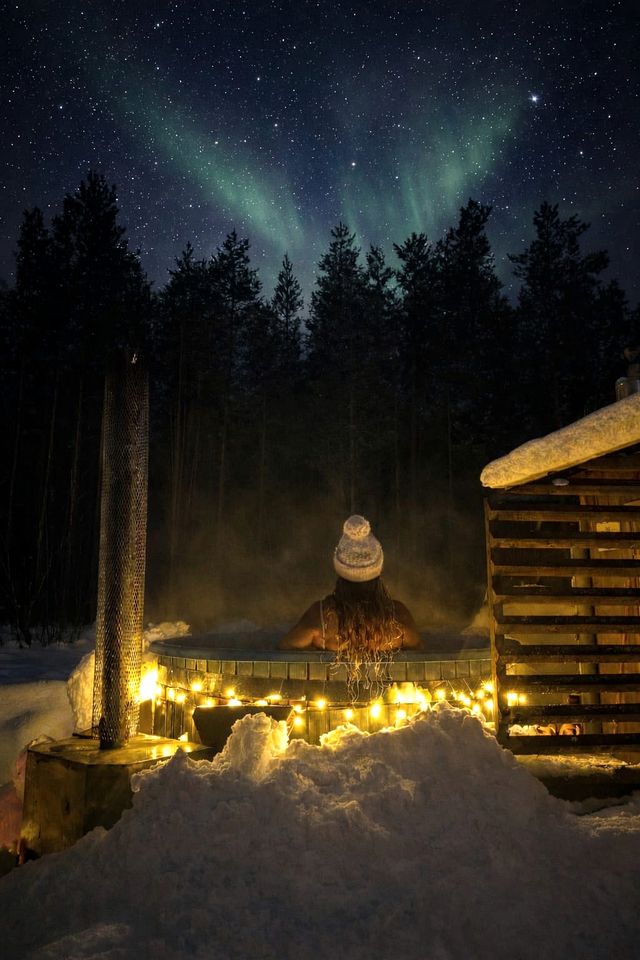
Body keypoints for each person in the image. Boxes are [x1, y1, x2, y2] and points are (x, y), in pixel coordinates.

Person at [280, 515, 421, 654]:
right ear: (378, 570)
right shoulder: (397, 617)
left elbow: (284, 649)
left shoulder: (321, 618)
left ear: (340, 572)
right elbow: (420, 652)